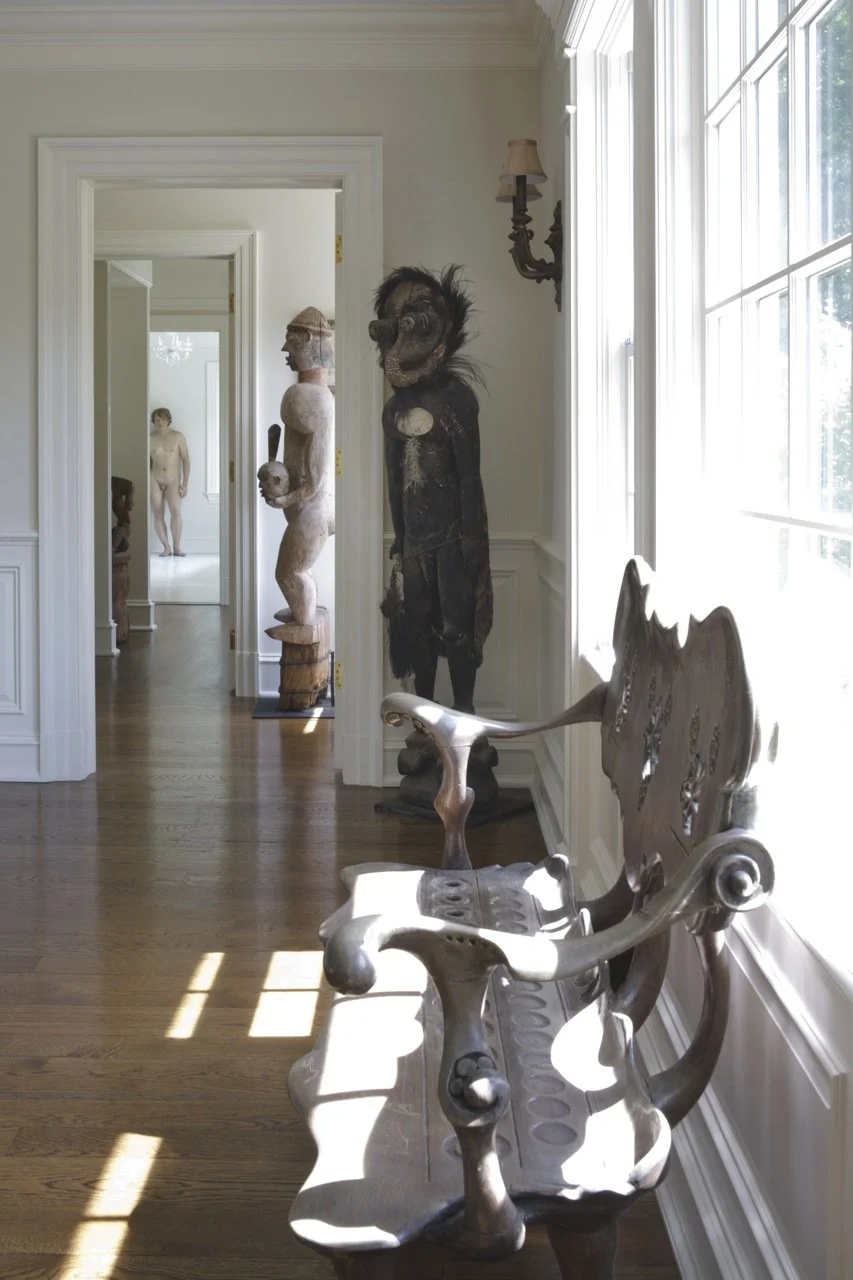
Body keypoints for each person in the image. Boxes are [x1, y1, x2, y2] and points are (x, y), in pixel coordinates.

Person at [257, 307, 335, 627]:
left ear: (309, 340)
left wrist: (285, 499)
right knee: (296, 572)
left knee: (289, 573)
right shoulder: (313, 395)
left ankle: (305, 630)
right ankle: (306, 621)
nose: (285, 348)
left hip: (310, 515)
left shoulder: (304, 397)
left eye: (291, 340)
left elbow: (314, 478)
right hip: (310, 513)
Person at [149, 407, 190, 557]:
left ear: (168, 420)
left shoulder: (177, 437)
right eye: (157, 419)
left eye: (163, 419)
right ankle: (166, 547)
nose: (160, 422)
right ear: (153, 421)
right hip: (154, 478)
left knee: (176, 511)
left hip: (173, 479)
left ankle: (177, 547)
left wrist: (185, 484)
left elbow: (186, 460)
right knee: (158, 512)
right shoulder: (149, 438)